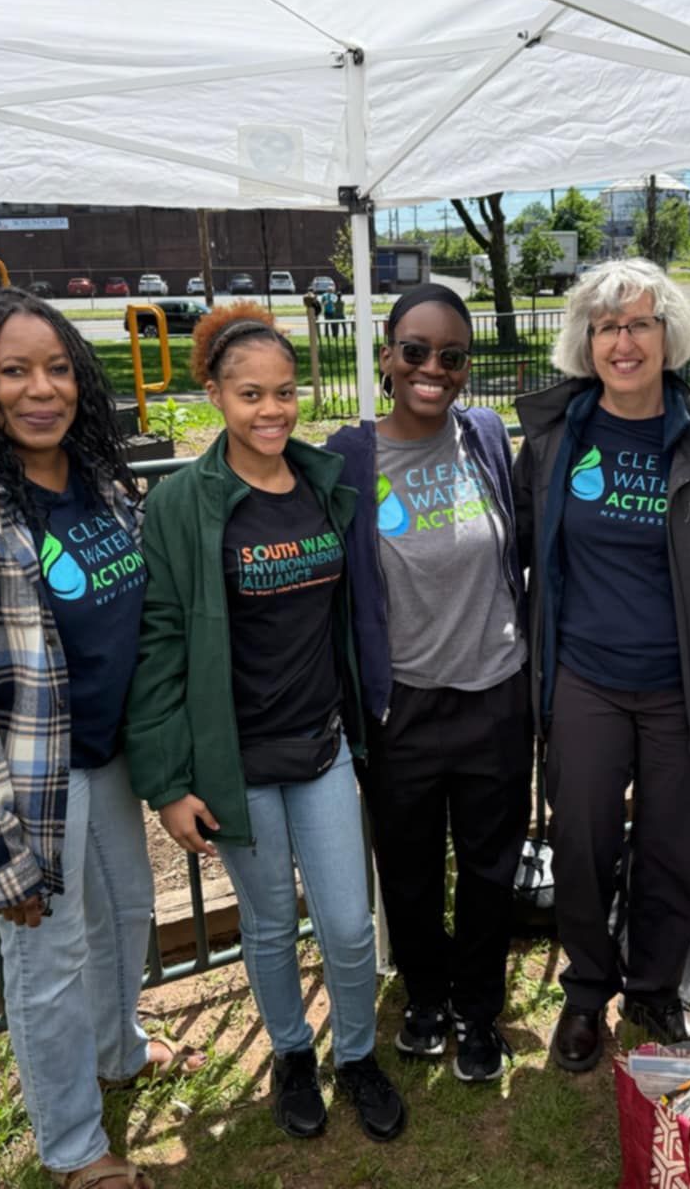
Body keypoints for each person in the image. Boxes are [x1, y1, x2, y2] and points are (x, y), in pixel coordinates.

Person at [0, 286, 196, 1189]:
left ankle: (118, 1050)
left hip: (104, 761)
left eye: (57, 368)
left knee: (127, 917)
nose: (41, 389)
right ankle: (74, 1149)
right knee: (48, 958)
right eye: (13, 371)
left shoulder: (95, 478)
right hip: (24, 783)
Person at [125, 303, 406, 1143]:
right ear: (213, 393)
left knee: (350, 925)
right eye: (250, 394)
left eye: (284, 392)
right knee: (272, 924)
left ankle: (356, 1054)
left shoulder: (323, 484)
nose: (271, 411)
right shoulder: (182, 503)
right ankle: (291, 1052)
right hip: (236, 760)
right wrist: (168, 783)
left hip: (319, 748)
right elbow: (162, 641)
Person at [513, 258, 690, 1073]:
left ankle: (656, 986)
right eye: (608, 326)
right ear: (587, 341)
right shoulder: (554, 440)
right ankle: (587, 991)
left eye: (641, 324)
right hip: (583, 677)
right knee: (582, 842)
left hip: (678, 687)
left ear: (670, 336)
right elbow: (521, 551)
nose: (624, 341)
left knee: (670, 845)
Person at [327, 284, 530, 1083]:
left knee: (489, 867)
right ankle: (424, 998)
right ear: (387, 355)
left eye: (451, 356)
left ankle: (479, 1007)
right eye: (415, 350)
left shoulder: (483, 435)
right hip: (401, 704)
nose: (432, 368)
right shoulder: (349, 455)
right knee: (409, 870)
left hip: (495, 692)